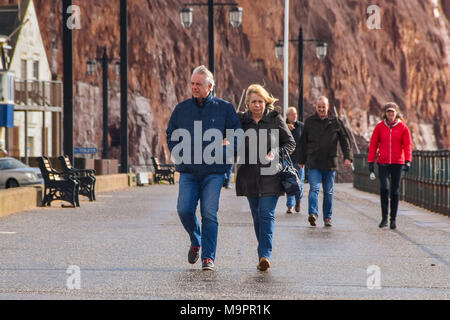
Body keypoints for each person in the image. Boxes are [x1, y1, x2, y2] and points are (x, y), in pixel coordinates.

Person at [166, 65, 242, 271]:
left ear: (210, 87)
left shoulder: (224, 108)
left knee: (209, 212)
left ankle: (208, 257)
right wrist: (178, 152)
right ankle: (195, 239)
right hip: (189, 171)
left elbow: (237, 133)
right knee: (184, 210)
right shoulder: (182, 109)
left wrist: (227, 152)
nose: (194, 87)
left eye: (198, 84)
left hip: (214, 172)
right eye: (192, 83)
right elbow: (170, 133)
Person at [235, 84, 295, 272]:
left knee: (266, 214)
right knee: (256, 216)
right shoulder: (242, 121)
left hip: (271, 175)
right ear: (248, 104)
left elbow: (290, 143)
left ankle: (264, 255)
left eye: (260, 101)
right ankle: (263, 251)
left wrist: (276, 152)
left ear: (265, 102)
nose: (257, 105)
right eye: (253, 102)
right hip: (249, 176)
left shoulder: (275, 119)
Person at [297, 96, 353, 227]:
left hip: (329, 163)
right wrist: (300, 160)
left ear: (328, 107)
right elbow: (302, 143)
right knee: (314, 189)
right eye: (319, 107)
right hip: (313, 162)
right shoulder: (309, 122)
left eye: (324, 107)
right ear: (316, 107)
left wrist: (347, 157)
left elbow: (345, 140)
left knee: (328, 192)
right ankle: (313, 214)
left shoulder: (336, 122)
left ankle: (327, 217)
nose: (321, 109)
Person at [368, 102, 412, 230]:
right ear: (385, 113)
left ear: (396, 113)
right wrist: (371, 161)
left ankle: (393, 219)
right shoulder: (379, 127)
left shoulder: (403, 127)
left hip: (398, 162)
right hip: (383, 162)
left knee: (395, 191)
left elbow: (408, 145)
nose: (390, 114)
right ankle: (384, 218)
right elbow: (373, 144)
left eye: (392, 112)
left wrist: (408, 160)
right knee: (384, 188)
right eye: (388, 112)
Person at [285, 107, 304, 214]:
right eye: (292, 114)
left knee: (299, 183)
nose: (295, 115)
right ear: (287, 116)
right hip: (287, 160)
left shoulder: (301, 126)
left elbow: (305, 143)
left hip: (299, 160)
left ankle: (298, 201)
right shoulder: (283, 126)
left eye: (295, 114)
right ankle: (290, 205)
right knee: (289, 182)